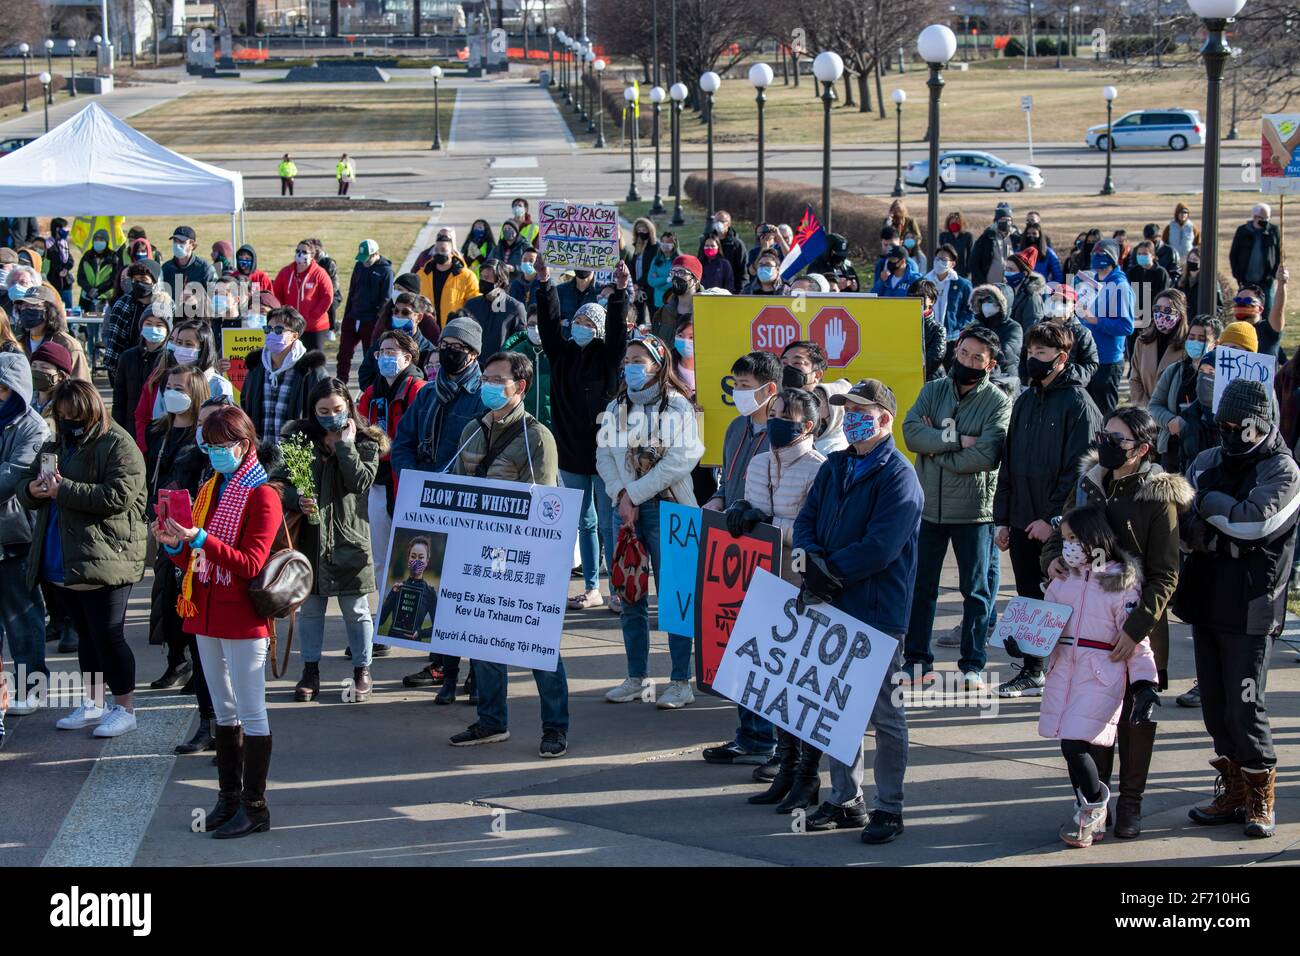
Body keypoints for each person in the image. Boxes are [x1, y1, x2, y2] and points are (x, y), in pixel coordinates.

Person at [1038, 405, 1191, 838]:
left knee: (1134, 717)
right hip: (1085, 621)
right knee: (1089, 720)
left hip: (1135, 623)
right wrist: (1052, 560)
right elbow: (1059, 530)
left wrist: (1136, 627)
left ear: (1142, 449)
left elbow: (1166, 572)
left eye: (1117, 439)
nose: (1105, 443)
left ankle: (1132, 803)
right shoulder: (1088, 482)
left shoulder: (1158, 496)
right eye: (1104, 434)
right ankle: (1095, 800)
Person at [791, 379, 921, 842]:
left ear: (884, 419)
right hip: (834, 601)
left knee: (885, 715)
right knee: (835, 707)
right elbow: (807, 518)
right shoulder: (837, 464)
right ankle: (846, 798)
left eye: (862, 410)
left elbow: (881, 547)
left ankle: (891, 807)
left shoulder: (899, 476)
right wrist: (810, 558)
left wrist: (831, 571)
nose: (852, 417)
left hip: (877, 609)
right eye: (848, 409)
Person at [152, 404, 282, 839]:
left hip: (243, 616)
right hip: (204, 608)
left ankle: (255, 806)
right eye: (207, 446)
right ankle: (228, 800)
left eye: (220, 446)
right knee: (223, 711)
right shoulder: (211, 488)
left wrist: (201, 539)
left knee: (251, 710)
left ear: (244, 445)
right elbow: (192, 557)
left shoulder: (262, 494)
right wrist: (175, 543)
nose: (212, 454)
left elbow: (249, 563)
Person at [1176, 378, 1298, 840]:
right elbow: (1180, 520)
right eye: (1220, 424)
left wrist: (1207, 507)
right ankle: (1231, 788)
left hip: (1252, 607)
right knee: (1214, 706)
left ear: (1258, 424)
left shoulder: (1283, 470)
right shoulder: (1208, 460)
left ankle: (1259, 793)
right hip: (1206, 598)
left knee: (1246, 708)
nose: (1225, 433)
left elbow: (1255, 523)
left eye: (1235, 425)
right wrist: (1210, 532)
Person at [441, 349, 568, 754]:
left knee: (537, 644)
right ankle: (491, 721)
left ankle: (555, 728)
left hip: (522, 555)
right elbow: (457, 487)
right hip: (477, 552)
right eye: (487, 379)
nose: (489, 387)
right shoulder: (473, 432)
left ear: (521, 387)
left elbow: (546, 506)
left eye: (499, 381)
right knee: (483, 640)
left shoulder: (537, 438)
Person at [20, 379, 146, 738]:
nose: (70, 422)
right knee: (86, 636)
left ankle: (124, 707)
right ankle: (93, 702)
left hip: (108, 556)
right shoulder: (58, 442)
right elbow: (27, 485)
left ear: (92, 411)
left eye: (76, 415)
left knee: (108, 636)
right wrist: (34, 489)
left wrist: (64, 490)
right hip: (64, 557)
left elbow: (118, 496)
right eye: (63, 416)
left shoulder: (119, 444)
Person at [723, 387, 827, 806]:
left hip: (799, 586)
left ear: (805, 425)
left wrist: (766, 523)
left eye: (784, 413)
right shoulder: (760, 461)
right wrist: (742, 515)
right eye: (775, 411)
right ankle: (784, 767)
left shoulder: (820, 468)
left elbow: (810, 530)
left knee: (801, 685)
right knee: (772, 682)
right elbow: (755, 512)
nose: (775, 418)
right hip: (762, 582)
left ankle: (807, 773)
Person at [1032, 504, 1157, 848]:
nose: (1067, 545)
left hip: (1101, 673)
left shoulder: (1118, 581)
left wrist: (1145, 683)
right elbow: (1044, 625)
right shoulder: (1062, 581)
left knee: (1075, 742)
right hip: (1064, 673)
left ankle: (1093, 806)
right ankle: (1088, 809)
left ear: (1093, 539)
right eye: (1065, 538)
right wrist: (1025, 645)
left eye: (1074, 538)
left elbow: (1136, 639)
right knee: (1067, 744)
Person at [993, 321, 1103, 697]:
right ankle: (1033, 669)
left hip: (1056, 526)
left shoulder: (1079, 405)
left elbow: (1079, 471)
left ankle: (1068, 671)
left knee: (1065, 599)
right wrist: (1003, 519)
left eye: (1041, 354)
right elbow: (1008, 462)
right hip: (1021, 519)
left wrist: (1053, 521)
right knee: (1028, 596)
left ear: (1062, 357)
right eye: (1030, 353)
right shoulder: (1024, 400)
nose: (1033, 360)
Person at [597, 333, 703, 708]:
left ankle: (679, 681)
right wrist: (620, 496)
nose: (630, 365)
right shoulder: (615, 408)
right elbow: (605, 457)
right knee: (630, 594)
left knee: (676, 596)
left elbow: (681, 460)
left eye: (639, 359)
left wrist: (634, 494)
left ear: (658, 365)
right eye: (627, 359)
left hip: (670, 509)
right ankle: (636, 677)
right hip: (624, 511)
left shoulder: (677, 406)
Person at [902, 325, 1010, 687]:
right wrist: (954, 440)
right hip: (929, 507)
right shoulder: (933, 390)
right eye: (963, 353)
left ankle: (973, 664)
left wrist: (934, 449)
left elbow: (985, 456)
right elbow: (911, 433)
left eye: (976, 357)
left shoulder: (998, 401)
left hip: (974, 511)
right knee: (921, 588)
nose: (966, 361)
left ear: (990, 364)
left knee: (976, 591)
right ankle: (917, 661)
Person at [390, 316, 486, 694]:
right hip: (429, 506)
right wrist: (417, 483)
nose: (447, 352)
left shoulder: (484, 395)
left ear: (473, 353)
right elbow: (402, 444)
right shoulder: (428, 395)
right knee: (439, 592)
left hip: (470, 509)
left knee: (469, 596)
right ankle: (444, 670)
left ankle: (479, 673)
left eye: (456, 347)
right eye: (443, 345)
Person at [698, 350, 782, 764]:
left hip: (764, 545)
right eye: (736, 386)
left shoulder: (785, 432)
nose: (739, 394)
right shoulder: (736, 428)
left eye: (747, 388)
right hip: (730, 546)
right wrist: (716, 499)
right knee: (733, 638)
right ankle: (748, 735)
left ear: (771, 390)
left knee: (762, 644)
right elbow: (727, 480)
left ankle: (768, 738)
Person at [280, 379, 383, 704]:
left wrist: (345, 445)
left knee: (356, 610)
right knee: (310, 610)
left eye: (337, 410)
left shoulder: (366, 441)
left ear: (349, 408)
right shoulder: (299, 440)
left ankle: (361, 669)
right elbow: (279, 483)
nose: (331, 417)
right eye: (323, 411)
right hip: (310, 539)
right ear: (312, 411)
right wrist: (298, 500)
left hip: (350, 539)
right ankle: (310, 670)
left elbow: (361, 482)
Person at [537, 260, 629, 612]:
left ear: (600, 329)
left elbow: (619, 330)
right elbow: (548, 324)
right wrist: (545, 284)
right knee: (584, 521)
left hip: (604, 453)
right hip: (571, 452)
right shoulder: (561, 355)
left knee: (610, 521)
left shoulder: (607, 357)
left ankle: (617, 588)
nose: (580, 326)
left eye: (589, 322)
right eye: (577, 321)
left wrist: (620, 292)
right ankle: (591, 587)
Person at [144, 366, 211, 690]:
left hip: (193, 532)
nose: (172, 392)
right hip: (165, 527)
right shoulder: (159, 431)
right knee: (166, 598)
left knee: (191, 598)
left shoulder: (202, 438)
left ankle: (199, 669)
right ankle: (176, 661)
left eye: (180, 388)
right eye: (169, 386)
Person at [0, 352, 51, 717]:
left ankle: (34, 687)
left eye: (3, 389)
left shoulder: (34, 427)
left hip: (15, 534)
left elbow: (13, 477)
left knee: (23, 619)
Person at [358, 329, 427, 581]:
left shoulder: (419, 390)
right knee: (380, 555)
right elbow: (361, 429)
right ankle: (383, 613)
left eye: (391, 352)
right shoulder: (371, 392)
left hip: (407, 481)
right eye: (380, 352)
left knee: (410, 554)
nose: (384, 357)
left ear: (407, 358)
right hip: (379, 480)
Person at [135, 320, 234, 450]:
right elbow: (157, 419)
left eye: (189, 344)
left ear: (203, 348)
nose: (182, 348)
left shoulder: (219, 385)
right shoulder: (168, 379)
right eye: (179, 343)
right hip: (167, 448)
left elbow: (225, 427)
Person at [238, 307, 328, 443]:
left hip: (296, 454)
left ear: (294, 335)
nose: (272, 334)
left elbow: (323, 415)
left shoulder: (312, 372)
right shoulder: (256, 368)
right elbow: (246, 404)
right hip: (260, 452)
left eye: (279, 330)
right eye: (268, 329)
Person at [1150, 316, 1220, 473]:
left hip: (1207, 451)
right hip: (1173, 450)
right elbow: (1154, 405)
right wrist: (1170, 421)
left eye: (1202, 339)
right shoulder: (1174, 371)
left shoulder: (1221, 377)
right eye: (1191, 337)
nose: (1195, 342)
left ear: (1215, 343)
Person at [1077, 238, 1134, 419]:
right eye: (1094, 253)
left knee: (1106, 415)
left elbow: (1127, 326)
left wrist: (1096, 321)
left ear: (1111, 258)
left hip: (1108, 362)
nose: (1096, 257)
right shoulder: (1090, 282)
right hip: (1088, 356)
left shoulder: (1120, 286)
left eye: (1101, 254)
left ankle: (1109, 446)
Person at [337, 240, 394, 385]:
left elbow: (386, 300)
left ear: (376, 254)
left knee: (370, 356)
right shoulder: (359, 266)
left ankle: (370, 386)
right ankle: (340, 383)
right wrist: (347, 316)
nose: (364, 262)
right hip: (353, 317)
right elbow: (352, 291)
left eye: (367, 258)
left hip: (370, 321)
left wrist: (378, 322)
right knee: (343, 354)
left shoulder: (385, 271)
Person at [102, 260, 166, 385]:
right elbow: (114, 341)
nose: (138, 283)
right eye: (135, 280)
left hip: (157, 368)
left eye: (143, 279)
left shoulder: (165, 306)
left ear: (155, 281)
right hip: (128, 367)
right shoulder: (122, 304)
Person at [357, 292, 436, 392]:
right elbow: (365, 376)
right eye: (396, 311)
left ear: (419, 317)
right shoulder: (381, 345)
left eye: (405, 313)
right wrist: (379, 393)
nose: (399, 316)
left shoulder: (427, 351)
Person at [13, 284, 91, 382]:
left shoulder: (68, 345)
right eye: (24, 305)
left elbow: (82, 387)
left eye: (34, 305)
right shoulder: (19, 344)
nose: (27, 309)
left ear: (49, 311)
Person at [272, 241, 333, 353]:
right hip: (292, 326)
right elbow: (276, 294)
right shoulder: (286, 272)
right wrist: (285, 314)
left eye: (304, 252)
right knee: (293, 360)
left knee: (314, 362)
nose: (300, 254)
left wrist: (313, 316)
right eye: (298, 251)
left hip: (315, 327)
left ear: (312, 255)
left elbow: (327, 297)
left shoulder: (319, 273)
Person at [1129, 289, 1187, 408]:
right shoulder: (1142, 341)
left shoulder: (1188, 345)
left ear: (1180, 315)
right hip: (1146, 413)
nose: (1161, 314)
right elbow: (1135, 380)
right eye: (1157, 309)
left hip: (1172, 415)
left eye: (1167, 310)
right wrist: (1148, 408)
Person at [1229, 202, 1282, 318]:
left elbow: (1278, 254)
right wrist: (1237, 275)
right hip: (1246, 280)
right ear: (1255, 217)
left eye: (1267, 218)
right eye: (1262, 218)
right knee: (1245, 310)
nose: (1265, 221)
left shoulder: (1273, 231)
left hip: (1265, 281)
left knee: (1266, 310)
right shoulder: (1243, 231)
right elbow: (1233, 254)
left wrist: (1273, 274)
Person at [417, 237, 480, 327]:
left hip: (454, 328)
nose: (439, 253)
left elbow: (474, 305)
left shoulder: (467, 276)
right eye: (436, 250)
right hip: (426, 328)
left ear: (452, 252)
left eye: (443, 250)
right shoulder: (422, 274)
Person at [1228, 273, 1288, 360]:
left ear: (1260, 309)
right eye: (1238, 300)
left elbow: (1278, 310)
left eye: (1248, 300)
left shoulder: (1269, 329)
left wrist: (1282, 284)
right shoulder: (1231, 331)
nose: (1241, 303)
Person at [969, 284, 1022, 382]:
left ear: (1001, 304)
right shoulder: (976, 325)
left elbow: (1008, 355)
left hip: (1003, 378)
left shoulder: (1013, 327)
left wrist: (980, 351)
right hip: (977, 376)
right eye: (982, 301)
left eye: (990, 301)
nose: (986, 304)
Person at [928, 244, 974, 344]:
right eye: (937, 259)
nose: (939, 262)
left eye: (944, 260)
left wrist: (958, 326)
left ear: (952, 264)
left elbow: (971, 310)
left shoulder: (962, 284)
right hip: (928, 337)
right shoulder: (925, 282)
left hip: (952, 338)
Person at [161, 226, 217, 307]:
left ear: (193, 245)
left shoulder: (205, 268)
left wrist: (199, 298)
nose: (177, 245)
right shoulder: (166, 268)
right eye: (175, 241)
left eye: (182, 242)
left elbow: (215, 295)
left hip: (197, 316)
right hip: (172, 316)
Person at [651, 255, 701, 342]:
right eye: (673, 273)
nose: (676, 277)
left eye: (681, 272)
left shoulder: (706, 310)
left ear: (695, 279)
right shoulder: (663, 312)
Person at [1125, 241, 1172, 332]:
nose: (1141, 256)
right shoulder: (1132, 272)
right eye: (1139, 254)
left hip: (1152, 321)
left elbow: (1163, 298)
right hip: (1134, 319)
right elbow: (1127, 295)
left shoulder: (1161, 273)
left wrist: (1149, 317)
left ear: (1153, 255)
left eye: (1145, 254)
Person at [969, 203, 1019, 287]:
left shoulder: (1016, 238)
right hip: (989, 286)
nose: (1006, 222)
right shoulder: (987, 238)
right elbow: (974, 263)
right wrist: (980, 282)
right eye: (1003, 219)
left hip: (1010, 286)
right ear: (996, 221)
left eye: (1009, 220)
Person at [698, 210, 746, 293]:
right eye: (716, 221)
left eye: (722, 221)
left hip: (730, 290)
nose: (719, 223)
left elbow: (743, 271)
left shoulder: (737, 245)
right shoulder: (706, 241)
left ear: (729, 224)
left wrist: (739, 292)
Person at [77, 228, 119, 315]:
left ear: (106, 242)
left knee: (102, 324)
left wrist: (98, 290)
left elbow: (114, 278)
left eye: (101, 239)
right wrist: (89, 289)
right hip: (87, 297)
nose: (98, 242)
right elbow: (80, 277)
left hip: (105, 298)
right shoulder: (87, 256)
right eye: (96, 239)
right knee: (86, 324)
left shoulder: (113, 257)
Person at [1175, 246, 1224, 319]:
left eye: (1195, 259)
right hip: (1182, 322)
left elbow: (1218, 306)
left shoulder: (1210, 282)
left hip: (1199, 323)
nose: (1191, 261)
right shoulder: (1180, 280)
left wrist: (1207, 319)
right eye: (1190, 259)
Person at [1006, 246, 1046, 334]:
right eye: (1006, 268)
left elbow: (1031, 330)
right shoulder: (1007, 290)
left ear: (1024, 273)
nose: (1007, 272)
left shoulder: (1032, 297)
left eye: (1011, 269)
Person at [42, 218, 76, 308]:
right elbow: (50, 262)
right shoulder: (47, 245)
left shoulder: (64, 243)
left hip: (66, 284)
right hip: (53, 283)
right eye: (65, 228)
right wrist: (59, 270)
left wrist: (65, 269)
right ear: (57, 229)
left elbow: (70, 260)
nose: (67, 230)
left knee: (69, 312)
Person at [647, 232, 678, 309]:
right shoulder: (655, 260)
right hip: (658, 302)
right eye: (663, 242)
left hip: (672, 302)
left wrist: (658, 282)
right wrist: (667, 279)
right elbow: (650, 281)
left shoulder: (677, 261)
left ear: (674, 245)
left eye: (668, 242)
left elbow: (674, 284)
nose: (665, 244)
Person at [943, 212, 975, 278]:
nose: (953, 224)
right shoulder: (944, 236)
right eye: (951, 222)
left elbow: (971, 255)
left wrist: (968, 270)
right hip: (947, 272)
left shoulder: (968, 237)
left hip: (962, 273)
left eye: (956, 222)